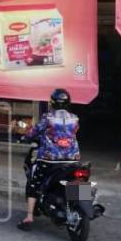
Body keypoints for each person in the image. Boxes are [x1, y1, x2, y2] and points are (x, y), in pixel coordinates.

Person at [18, 88, 80, 231]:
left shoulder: (47, 118)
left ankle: (29, 217)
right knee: (76, 181)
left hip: (50, 159)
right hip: (72, 159)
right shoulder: (75, 118)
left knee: (34, 183)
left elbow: (34, 132)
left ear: (52, 103)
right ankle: (81, 200)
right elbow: (71, 133)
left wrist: (25, 137)